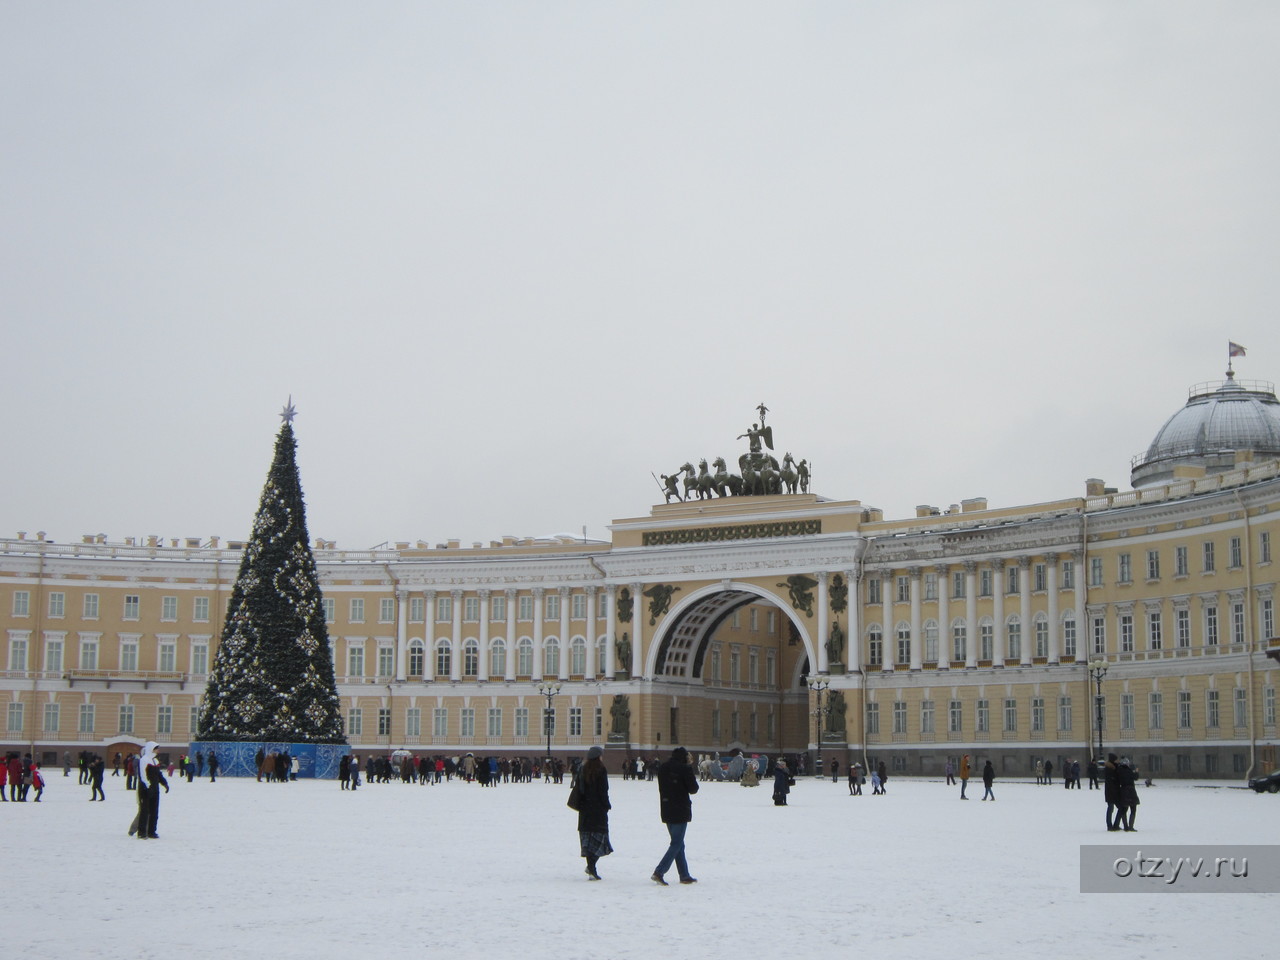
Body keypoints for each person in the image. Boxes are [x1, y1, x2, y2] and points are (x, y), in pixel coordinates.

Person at [651, 746, 699, 886]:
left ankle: (684, 875)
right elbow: (693, 789)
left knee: (679, 843)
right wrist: (688, 769)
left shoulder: (664, 768)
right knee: (676, 843)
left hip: (666, 808)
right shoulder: (685, 769)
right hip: (680, 809)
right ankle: (659, 871)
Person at [575, 746, 612, 880]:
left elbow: (580, 789)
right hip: (597, 810)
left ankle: (591, 867)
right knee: (600, 839)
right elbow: (603, 791)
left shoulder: (582, 769)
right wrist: (606, 805)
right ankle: (591, 867)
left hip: (585, 810)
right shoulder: (601, 770)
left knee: (588, 840)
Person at [134, 741, 169, 839]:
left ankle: (151, 831)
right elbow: (142, 776)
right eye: (156, 748)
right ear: (151, 749)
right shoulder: (144, 760)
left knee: (154, 811)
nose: (158, 750)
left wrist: (164, 783)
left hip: (155, 789)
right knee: (145, 811)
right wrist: (148, 786)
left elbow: (158, 774)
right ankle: (141, 832)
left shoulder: (155, 760)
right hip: (145, 789)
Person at [1116, 758, 1139, 832]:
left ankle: (1125, 826)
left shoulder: (1119, 771)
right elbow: (1135, 777)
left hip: (1123, 790)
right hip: (1131, 790)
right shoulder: (1129, 771)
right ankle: (1131, 826)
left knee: (1124, 809)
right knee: (1133, 808)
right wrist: (1136, 772)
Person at [1103, 753, 1121, 831]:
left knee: (1118, 808)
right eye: (1116, 759)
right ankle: (1110, 825)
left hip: (1113, 791)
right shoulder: (1110, 769)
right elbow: (1112, 781)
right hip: (1111, 792)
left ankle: (1114, 825)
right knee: (1111, 808)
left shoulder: (1114, 768)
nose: (1118, 761)